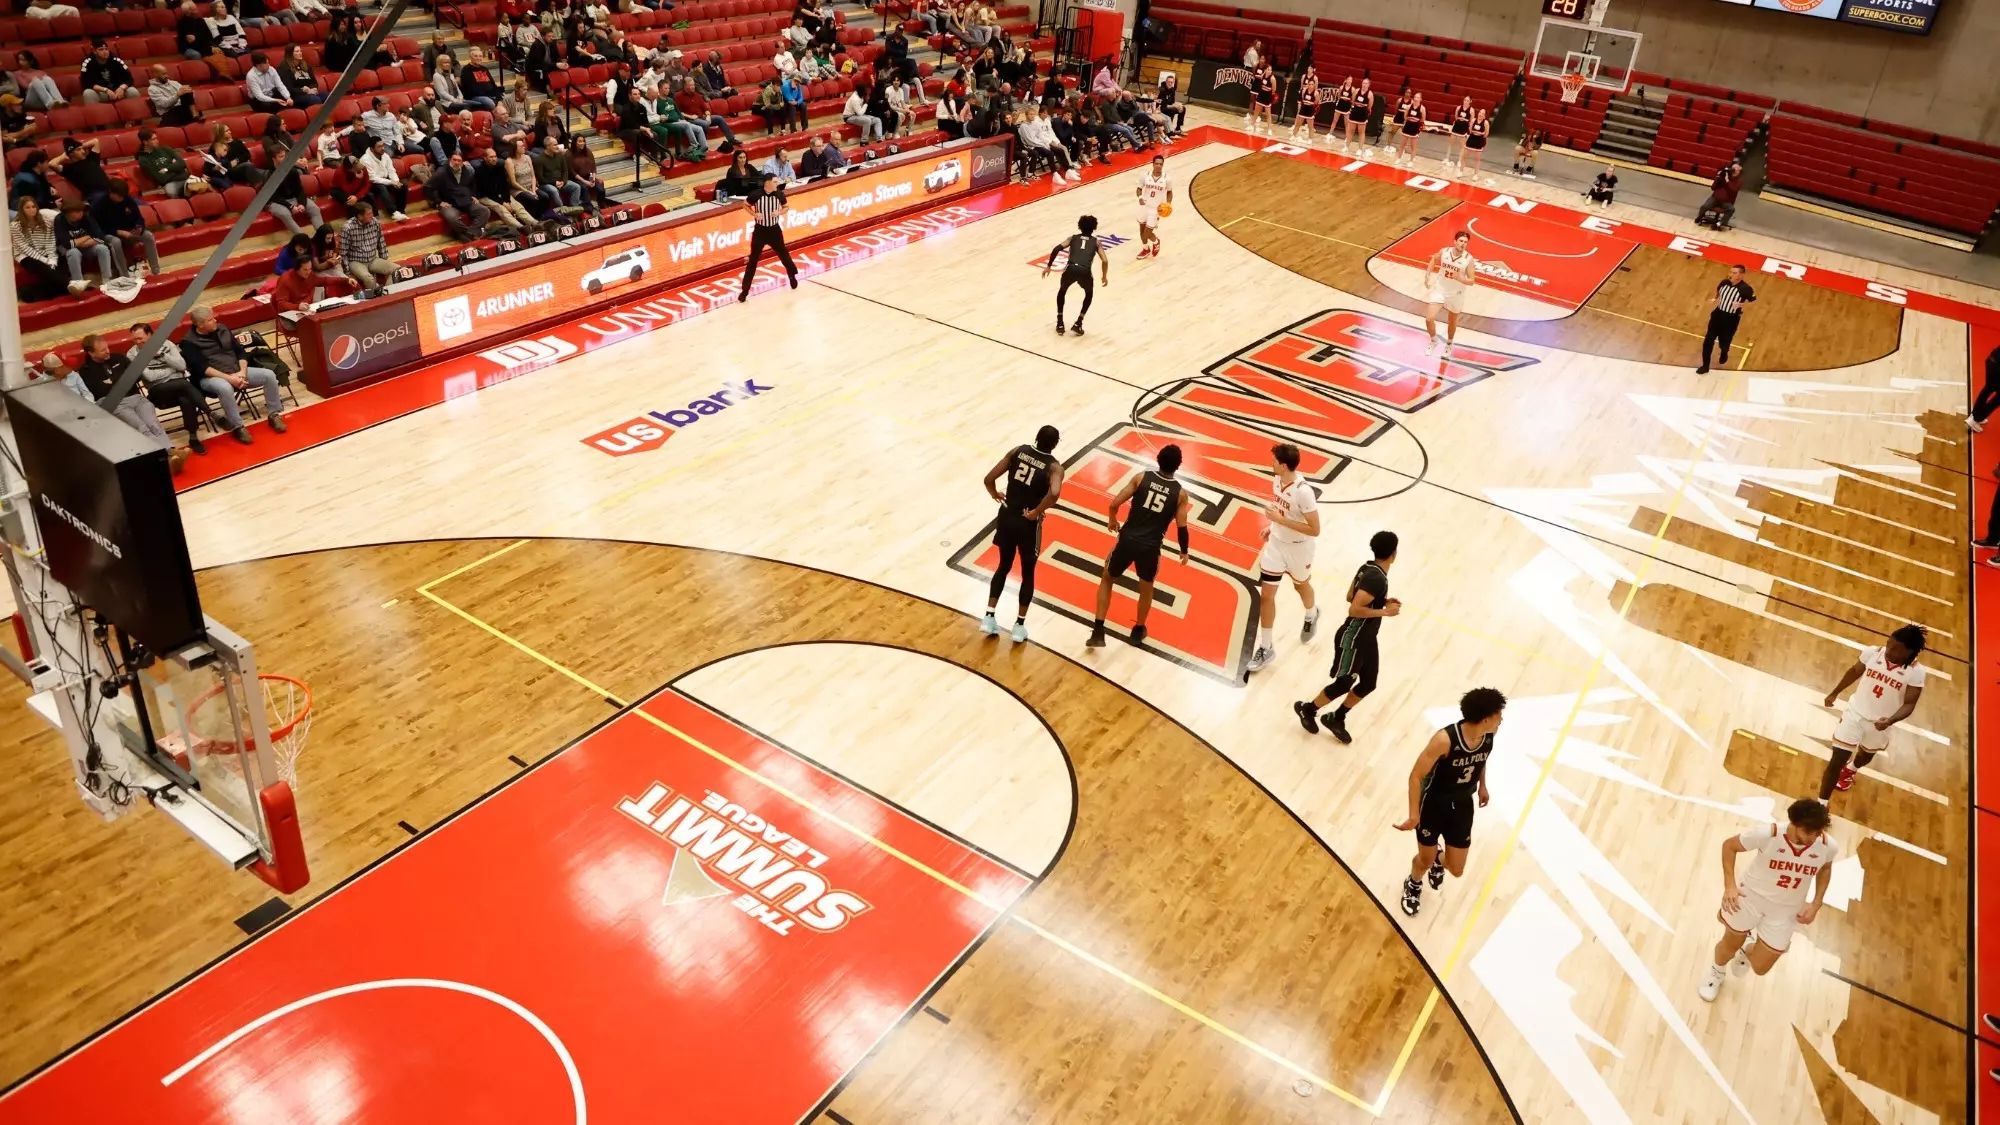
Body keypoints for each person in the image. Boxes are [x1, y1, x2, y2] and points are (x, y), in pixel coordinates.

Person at [1698, 797, 1835, 1002]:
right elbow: (1729, 846)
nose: (1813, 838)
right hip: (1750, 898)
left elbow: (1825, 868)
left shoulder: (1827, 845)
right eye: (1808, 832)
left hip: (1786, 910)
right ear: (1794, 823)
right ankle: (1716, 972)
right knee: (1729, 944)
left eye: (1818, 833)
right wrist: (1730, 886)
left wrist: (1816, 903)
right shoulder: (1768, 834)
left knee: (1761, 967)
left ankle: (1747, 948)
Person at [1393, 687, 1505, 917]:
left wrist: (1482, 785)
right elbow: (1416, 776)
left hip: (1462, 806)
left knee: (1456, 869)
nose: (1501, 719)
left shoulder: (1488, 736)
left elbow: (1480, 759)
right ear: (1485, 719)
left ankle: (1438, 859)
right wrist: (1414, 815)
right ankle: (1413, 882)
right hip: (1434, 805)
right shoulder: (1444, 740)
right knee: (1424, 860)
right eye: (1498, 715)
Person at [1293, 531, 1399, 744]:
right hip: (1354, 637)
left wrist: (1382, 601)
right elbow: (1354, 608)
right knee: (1344, 683)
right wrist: (1385, 612)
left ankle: (1336, 718)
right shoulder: (1377, 578)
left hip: (1367, 638)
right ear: (1393, 554)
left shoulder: (1368, 567)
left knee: (1368, 683)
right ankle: (1308, 709)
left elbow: (1351, 595)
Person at [1085, 444, 1190, 648]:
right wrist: (1184, 551)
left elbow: (1114, 504)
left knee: (1107, 578)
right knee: (1146, 588)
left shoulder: (1141, 478)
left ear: (1158, 458)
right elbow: (1182, 527)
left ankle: (1098, 630)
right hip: (1150, 547)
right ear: (1178, 466)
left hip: (1127, 540)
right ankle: (1138, 629)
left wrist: (1112, 519)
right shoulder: (1180, 494)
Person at [1819, 624, 1927, 801]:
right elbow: (1854, 672)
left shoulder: (1916, 672)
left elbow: (1909, 704)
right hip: (1855, 714)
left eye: (1896, 649)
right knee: (1836, 760)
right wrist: (1834, 692)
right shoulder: (1872, 653)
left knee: (1865, 755)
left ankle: (1852, 768)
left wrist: (1890, 720)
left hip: (1880, 724)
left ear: (1909, 652)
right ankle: (1821, 804)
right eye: (1889, 644)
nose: (1889, 650)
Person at [980, 424, 1065, 642]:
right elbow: (1055, 493)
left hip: (1007, 516)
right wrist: (1036, 512)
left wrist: (994, 494)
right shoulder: (1054, 467)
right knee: (1028, 573)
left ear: (1036, 438)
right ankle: (1019, 626)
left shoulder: (1017, 451)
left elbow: (988, 479)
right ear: (1055, 444)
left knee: (1003, 566)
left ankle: (989, 616)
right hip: (1027, 523)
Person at [1245, 442, 1320, 674]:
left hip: (1299, 548)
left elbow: (1315, 529)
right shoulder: (1277, 480)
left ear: (1284, 465)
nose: (1271, 464)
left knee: (1301, 586)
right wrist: (1272, 526)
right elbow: (1282, 511)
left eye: (1274, 461)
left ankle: (1312, 613)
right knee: (1266, 596)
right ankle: (1266, 647)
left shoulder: (1304, 492)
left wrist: (1280, 520)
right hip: (1276, 546)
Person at [178, 305, 288, 441]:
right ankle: (238, 426)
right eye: (210, 319)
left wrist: (242, 372)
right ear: (200, 325)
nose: (215, 320)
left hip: (236, 371)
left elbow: (240, 352)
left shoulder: (223, 329)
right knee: (225, 387)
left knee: (269, 375)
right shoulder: (188, 343)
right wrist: (230, 379)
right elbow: (203, 369)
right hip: (210, 378)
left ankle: (274, 414)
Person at [124, 323, 214, 453]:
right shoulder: (132, 354)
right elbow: (150, 377)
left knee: (186, 399)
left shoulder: (167, 344)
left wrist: (163, 355)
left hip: (180, 388)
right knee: (185, 385)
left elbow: (182, 366)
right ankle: (209, 411)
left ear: (150, 335)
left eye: (140, 338)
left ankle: (193, 437)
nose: (137, 342)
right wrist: (172, 371)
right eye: (134, 339)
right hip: (158, 391)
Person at [738, 171, 799, 301]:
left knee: (784, 254)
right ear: (767, 183)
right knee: (753, 260)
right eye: (775, 182)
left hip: (774, 230)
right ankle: (745, 290)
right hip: (760, 231)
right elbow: (745, 205)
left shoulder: (779, 194)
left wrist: (779, 212)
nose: (777, 183)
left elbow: (786, 207)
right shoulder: (756, 194)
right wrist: (754, 214)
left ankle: (792, 275)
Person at [1044, 213, 1109, 336]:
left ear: (1080, 226)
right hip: (1085, 271)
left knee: (1062, 291)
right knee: (1089, 294)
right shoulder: (1096, 242)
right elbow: (1105, 260)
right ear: (1094, 227)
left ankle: (1060, 323)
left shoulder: (1072, 238)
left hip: (1071, 269)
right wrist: (1104, 276)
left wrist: (1049, 266)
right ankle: (1078, 323)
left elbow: (1056, 249)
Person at [1424, 228, 1478, 358]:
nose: (1463, 244)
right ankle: (1434, 340)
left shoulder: (1468, 259)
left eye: (1465, 242)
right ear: (1455, 241)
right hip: (1440, 289)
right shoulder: (1445, 251)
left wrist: (1460, 278)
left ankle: (1449, 344)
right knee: (1429, 318)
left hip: (1456, 294)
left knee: (1452, 321)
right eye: (1461, 241)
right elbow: (1434, 258)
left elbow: (1472, 281)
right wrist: (1427, 274)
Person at [54, 198, 127, 293]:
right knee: (73, 252)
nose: (81, 214)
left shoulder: (86, 217)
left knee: (102, 248)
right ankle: (78, 284)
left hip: (87, 247)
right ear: (68, 212)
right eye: (77, 212)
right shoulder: (59, 220)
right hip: (69, 250)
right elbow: (67, 244)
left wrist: (81, 242)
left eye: (81, 211)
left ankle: (107, 281)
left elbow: (101, 238)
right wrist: (87, 237)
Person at [91, 180, 159, 277]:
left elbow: (138, 217)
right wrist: (118, 232)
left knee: (148, 235)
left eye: (123, 196)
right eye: (119, 196)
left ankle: (156, 270)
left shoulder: (128, 200)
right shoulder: (100, 205)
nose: (121, 198)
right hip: (109, 233)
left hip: (129, 231)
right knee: (116, 242)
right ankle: (124, 275)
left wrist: (139, 226)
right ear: (110, 193)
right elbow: (99, 227)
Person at [1696, 263, 1756, 374]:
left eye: (1734, 273)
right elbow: (1719, 291)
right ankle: (1705, 366)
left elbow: (1753, 302)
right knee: (1708, 340)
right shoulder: (1724, 282)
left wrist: (1742, 305)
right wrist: (1715, 298)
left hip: (1731, 319)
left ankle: (1724, 351)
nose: (1731, 274)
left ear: (1741, 275)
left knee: (1724, 342)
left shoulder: (1746, 289)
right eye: (1731, 272)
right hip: (1717, 315)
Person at [10, 199, 70, 301]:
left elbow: (50, 241)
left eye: (33, 207)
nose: (31, 209)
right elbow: (25, 248)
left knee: (62, 262)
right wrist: (45, 260)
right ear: (21, 209)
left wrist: (52, 258)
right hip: (26, 255)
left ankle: (28, 293)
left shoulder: (45, 220)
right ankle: (71, 285)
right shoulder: (15, 226)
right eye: (27, 207)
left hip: (44, 251)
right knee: (47, 269)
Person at [339, 202, 397, 296]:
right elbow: (343, 253)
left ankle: (387, 293)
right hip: (356, 261)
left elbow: (381, 241)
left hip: (373, 259)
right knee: (368, 278)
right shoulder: (347, 228)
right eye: (369, 214)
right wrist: (347, 272)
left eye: (372, 213)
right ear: (360, 216)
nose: (372, 216)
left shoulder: (375, 222)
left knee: (396, 269)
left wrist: (384, 259)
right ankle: (378, 296)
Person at [360, 139, 411, 220]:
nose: (383, 148)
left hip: (385, 180)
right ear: (372, 149)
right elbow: (372, 178)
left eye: (383, 145)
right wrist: (391, 182)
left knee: (403, 185)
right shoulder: (365, 159)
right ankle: (393, 212)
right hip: (372, 183)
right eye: (379, 146)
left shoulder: (385, 155)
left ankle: (400, 211)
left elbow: (391, 170)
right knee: (381, 187)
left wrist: (396, 181)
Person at [135, 129, 193, 197]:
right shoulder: (144, 159)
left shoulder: (165, 149)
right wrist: (176, 167)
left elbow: (182, 163)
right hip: (172, 183)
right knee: (171, 191)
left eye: (156, 138)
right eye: (153, 139)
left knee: (195, 184)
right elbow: (162, 178)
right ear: (145, 142)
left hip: (185, 178)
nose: (157, 141)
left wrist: (167, 169)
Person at [81, 40, 139, 105]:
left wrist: (122, 88)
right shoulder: (87, 62)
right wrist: (105, 90)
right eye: (101, 49)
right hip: (101, 92)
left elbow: (129, 79)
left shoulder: (116, 59)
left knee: (132, 91)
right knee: (88, 93)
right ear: (94, 51)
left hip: (118, 91)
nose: (105, 52)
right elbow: (86, 83)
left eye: (106, 49)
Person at [1135, 154, 1170, 259]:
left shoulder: (1167, 179)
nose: (1158, 166)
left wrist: (1168, 203)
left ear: (1163, 165)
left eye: (1160, 164)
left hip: (1155, 210)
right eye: (1156, 164)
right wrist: (1140, 197)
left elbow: (1170, 192)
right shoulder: (1145, 176)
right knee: (1141, 232)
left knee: (1147, 233)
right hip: (1144, 207)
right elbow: (1139, 188)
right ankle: (1146, 249)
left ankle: (1156, 242)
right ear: (1153, 164)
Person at [1697, 161, 1743, 230]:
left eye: (1736, 169)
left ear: (1739, 171)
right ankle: (1699, 217)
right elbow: (1713, 188)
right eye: (1733, 168)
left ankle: (1719, 224)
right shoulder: (1723, 175)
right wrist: (1718, 177)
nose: (1733, 170)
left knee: (1731, 209)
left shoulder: (1739, 181)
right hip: (1715, 198)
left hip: (1727, 201)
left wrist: (1727, 181)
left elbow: (1733, 190)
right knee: (1705, 206)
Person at [1969, 344, 1999, 434]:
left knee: (1988, 388)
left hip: (1991, 361)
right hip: (1997, 368)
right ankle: (1977, 418)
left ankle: (1975, 416)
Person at [1289, 65, 1320, 142]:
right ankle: (1293, 135)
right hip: (1303, 108)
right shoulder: (1303, 91)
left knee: (1310, 126)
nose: (1311, 86)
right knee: (1298, 124)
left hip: (1310, 109)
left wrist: (1311, 106)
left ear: (1314, 85)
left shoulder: (1316, 93)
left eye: (1312, 84)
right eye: (1309, 84)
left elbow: (1317, 102)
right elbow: (1302, 98)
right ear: (1308, 85)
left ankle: (1310, 139)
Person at [1343, 78, 1373, 152]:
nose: (1364, 85)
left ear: (1369, 85)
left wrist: (1363, 107)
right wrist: (1357, 105)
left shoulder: (1370, 94)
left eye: (1366, 83)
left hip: (1363, 113)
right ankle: (1346, 147)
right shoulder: (1356, 91)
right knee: (1351, 130)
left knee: (1361, 132)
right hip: (1355, 112)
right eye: (1363, 83)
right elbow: (1352, 101)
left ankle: (1360, 149)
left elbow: (1369, 106)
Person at [1396, 91, 1426, 165]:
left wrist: (1416, 122)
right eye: (1415, 97)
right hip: (1407, 126)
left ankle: (1411, 161)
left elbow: (1423, 119)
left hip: (1415, 127)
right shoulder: (1409, 106)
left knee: (1413, 146)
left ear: (1420, 99)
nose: (1416, 98)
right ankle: (1398, 159)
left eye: (1418, 97)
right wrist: (1410, 119)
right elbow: (1405, 117)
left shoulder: (1422, 108)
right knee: (1402, 144)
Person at [1444, 95, 1472, 169]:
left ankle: (1460, 161)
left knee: (1462, 146)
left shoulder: (1471, 110)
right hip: (1456, 127)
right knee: (1451, 143)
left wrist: (1468, 128)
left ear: (1470, 102)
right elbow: (1456, 117)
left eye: (1467, 100)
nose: (1466, 102)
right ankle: (1447, 158)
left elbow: (1471, 121)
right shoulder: (1459, 107)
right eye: (1465, 100)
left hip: (1464, 128)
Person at [1463, 110, 1490, 180]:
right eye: (1480, 112)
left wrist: (1480, 135)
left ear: (1484, 116)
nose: (1481, 114)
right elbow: (1470, 130)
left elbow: (1486, 134)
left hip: (1479, 141)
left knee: (1477, 159)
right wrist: (1474, 133)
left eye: (1483, 113)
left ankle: (1475, 175)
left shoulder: (1486, 123)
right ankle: (1460, 171)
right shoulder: (1473, 120)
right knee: (1464, 156)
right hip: (1471, 139)